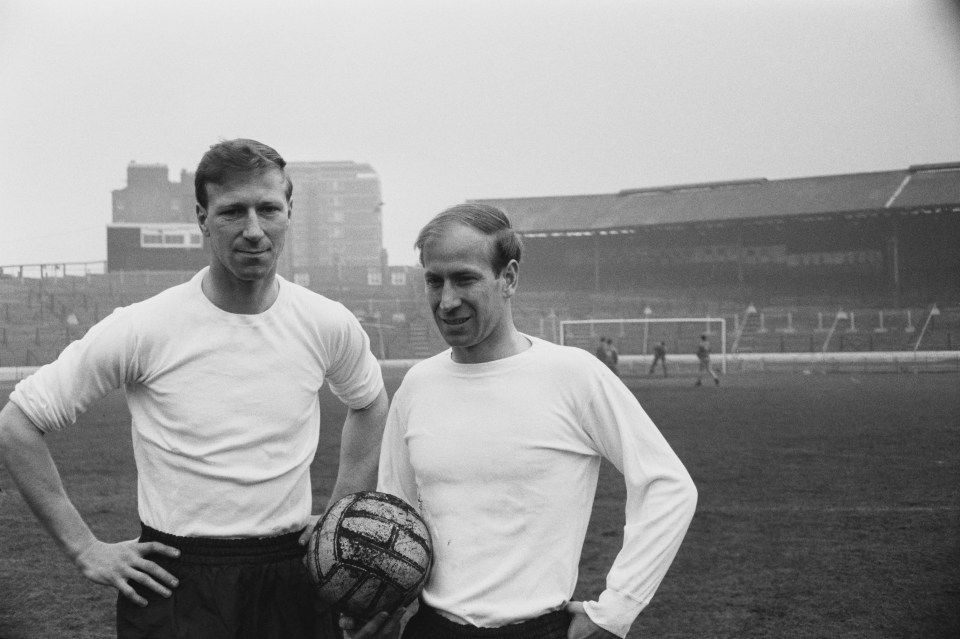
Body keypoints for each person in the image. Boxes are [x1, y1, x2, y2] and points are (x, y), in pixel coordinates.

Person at [0, 139, 389, 639]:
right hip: (177, 578)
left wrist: (339, 509)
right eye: (232, 212)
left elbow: (370, 403)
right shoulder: (145, 326)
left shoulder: (325, 322)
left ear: (289, 211)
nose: (253, 230)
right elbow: (18, 423)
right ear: (202, 217)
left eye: (268, 209)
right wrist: (85, 549)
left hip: (292, 572)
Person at [347, 203, 697, 639]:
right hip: (431, 629)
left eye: (465, 278)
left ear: (508, 278)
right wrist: (381, 608)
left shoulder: (573, 375)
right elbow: (395, 512)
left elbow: (668, 486)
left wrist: (616, 610)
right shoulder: (417, 384)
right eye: (434, 281)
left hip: (539, 630)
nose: (447, 300)